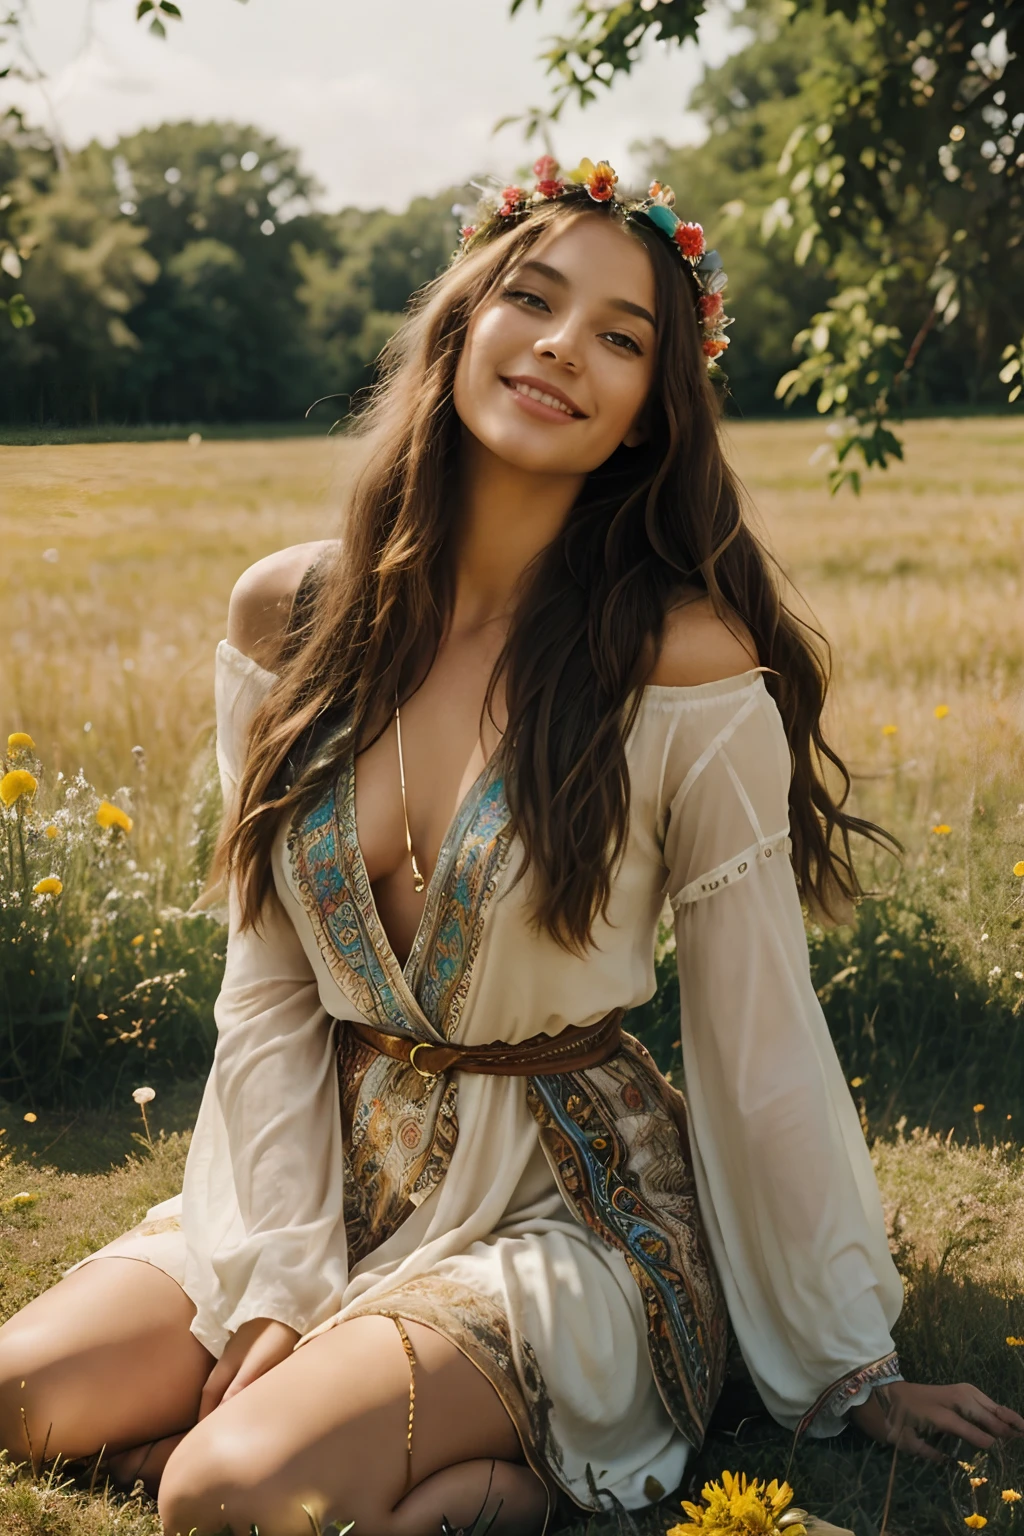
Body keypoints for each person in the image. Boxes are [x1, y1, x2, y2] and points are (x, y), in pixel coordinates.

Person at [0, 157, 1020, 1536]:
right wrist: (279, 1280)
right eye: (532, 300)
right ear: (461, 324)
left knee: (226, 1493)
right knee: (25, 1402)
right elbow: (268, 987)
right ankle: (465, 1483)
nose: (561, 348)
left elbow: (758, 1024)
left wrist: (850, 1363)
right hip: (325, 1173)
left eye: (620, 336)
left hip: (571, 1207)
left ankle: (474, 1449)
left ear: (651, 417)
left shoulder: (679, 663)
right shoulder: (286, 618)